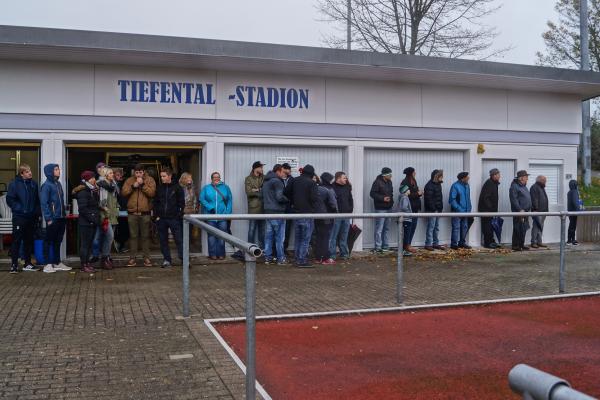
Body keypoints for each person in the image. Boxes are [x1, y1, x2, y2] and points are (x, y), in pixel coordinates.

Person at [6, 164, 41, 273]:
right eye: (26, 171)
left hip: (31, 218)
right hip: (19, 217)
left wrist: (36, 213)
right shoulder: (14, 184)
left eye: (30, 171)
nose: (30, 173)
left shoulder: (34, 184)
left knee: (28, 241)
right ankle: (14, 265)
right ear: (21, 174)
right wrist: (20, 209)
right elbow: (10, 200)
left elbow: (37, 201)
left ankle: (28, 264)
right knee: (16, 241)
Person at [122, 164, 156, 267]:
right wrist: (133, 186)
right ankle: (132, 258)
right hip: (132, 213)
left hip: (145, 213)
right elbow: (123, 192)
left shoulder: (150, 180)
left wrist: (142, 185)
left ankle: (146, 258)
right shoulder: (129, 180)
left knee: (145, 236)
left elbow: (152, 193)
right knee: (133, 237)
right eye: (136, 172)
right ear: (134, 172)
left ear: (143, 171)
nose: (138, 174)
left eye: (140, 172)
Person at [284, 164, 319, 267]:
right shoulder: (312, 183)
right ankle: (302, 260)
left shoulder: (294, 180)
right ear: (311, 173)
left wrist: (293, 200)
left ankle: (297, 258)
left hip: (296, 212)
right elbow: (314, 198)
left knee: (298, 237)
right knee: (305, 238)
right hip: (307, 213)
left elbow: (285, 192)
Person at [39, 163, 72, 273]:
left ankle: (57, 262)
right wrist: (48, 218)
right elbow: (44, 203)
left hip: (61, 217)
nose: (59, 171)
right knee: (48, 241)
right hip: (53, 218)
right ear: (50, 172)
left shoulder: (58, 184)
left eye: (58, 169)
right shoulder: (46, 185)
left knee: (58, 241)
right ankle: (47, 264)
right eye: (56, 169)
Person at [154, 167, 185, 268]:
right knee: (163, 240)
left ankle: (184, 260)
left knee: (179, 239)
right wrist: (156, 216)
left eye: (164, 176)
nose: (162, 178)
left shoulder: (177, 188)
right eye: (161, 176)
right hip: (161, 219)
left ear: (169, 176)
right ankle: (167, 260)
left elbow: (181, 203)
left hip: (173, 218)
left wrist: (178, 215)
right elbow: (155, 203)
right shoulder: (159, 188)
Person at [200, 172, 233, 260]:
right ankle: (212, 254)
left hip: (222, 216)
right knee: (211, 236)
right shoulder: (206, 188)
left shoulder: (226, 188)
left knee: (222, 235)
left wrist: (227, 212)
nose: (216, 178)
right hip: (210, 216)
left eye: (218, 177)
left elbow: (230, 200)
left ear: (220, 178)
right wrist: (210, 207)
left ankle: (221, 254)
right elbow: (201, 199)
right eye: (214, 177)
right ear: (212, 178)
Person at [73, 171, 101, 273]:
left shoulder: (92, 190)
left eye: (94, 178)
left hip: (91, 221)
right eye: (92, 178)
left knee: (89, 244)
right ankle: (83, 265)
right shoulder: (83, 191)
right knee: (85, 244)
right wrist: (93, 218)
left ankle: (87, 263)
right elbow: (83, 209)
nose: (94, 180)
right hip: (86, 222)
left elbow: (94, 205)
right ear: (86, 180)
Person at [262, 164, 289, 265]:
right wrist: (288, 199)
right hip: (278, 212)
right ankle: (280, 258)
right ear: (278, 171)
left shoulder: (266, 181)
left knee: (268, 236)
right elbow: (279, 197)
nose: (284, 174)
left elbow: (262, 196)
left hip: (267, 212)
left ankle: (267, 258)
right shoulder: (277, 181)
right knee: (279, 237)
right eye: (283, 172)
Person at [95, 167, 119, 269]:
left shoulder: (113, 185)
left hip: (113, 215)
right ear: (105, 175)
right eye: (110, 173)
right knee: (109, 236)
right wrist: (105, 211)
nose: (112, 175)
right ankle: (104, 258)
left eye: (112, 173)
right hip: (104, 215)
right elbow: (101, 203)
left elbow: (115, 199)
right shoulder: (101, 185)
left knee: (108, 238)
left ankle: (106, 258)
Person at [314, 172, 338, 265]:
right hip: (327, 217)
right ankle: (326, 258)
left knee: (319, 237)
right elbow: (333, 204)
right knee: (326, 237)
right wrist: (336, 213)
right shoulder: (329, 190)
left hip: (316, 216)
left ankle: (318, 257)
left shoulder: (317, 188)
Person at [329, 171, 353, 260]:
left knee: (344, 235)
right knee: (334, 236)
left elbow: (350, 199)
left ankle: (344, 254)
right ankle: (332, 254)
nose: (346, 179)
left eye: (346, 178)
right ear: (338, 178)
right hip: (336, 216)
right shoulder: (332, 187)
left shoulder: (347, 187)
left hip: (346, 215)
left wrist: (350, 209)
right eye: (344, 178)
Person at [370, 167, 394, 254]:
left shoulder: (389, 182)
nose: (391, 176)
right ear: (385, 175)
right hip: (380, 208)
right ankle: (378, 247)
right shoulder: (377, 182)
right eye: (390, 174)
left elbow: (391, 193)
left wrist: (391, 202)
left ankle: (385, 246)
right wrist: (383, 198)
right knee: (379, 228)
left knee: (386, 228)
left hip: (389, 208)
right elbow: (372, 194)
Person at [509, 170, 532, 251]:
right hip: (519, 212)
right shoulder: (514, 186)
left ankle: (521, 244)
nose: (527, 179)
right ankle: (515, 245)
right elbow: (514, 199)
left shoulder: (523, 186)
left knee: (523, 228)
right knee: (517, 228)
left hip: (525, 211)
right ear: (521, 178)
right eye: (526, 177)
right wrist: (519, 209)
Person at [400, 167, 422, 252]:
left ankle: (409, 244)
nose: (415, 173)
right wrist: (417, 193)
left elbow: (413, 193)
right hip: (409, 209)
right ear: (411, 173)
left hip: (415, 207)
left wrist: (419, 194)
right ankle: (406, 245)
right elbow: (406, 195)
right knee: (408, 228)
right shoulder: (405, 182)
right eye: (414, 172)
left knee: (413, 227)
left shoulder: (414, 181)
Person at [449, 172, 472, 250]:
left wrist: (469, 208)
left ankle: (462, 243)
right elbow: (452, 200)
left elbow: (468, 198)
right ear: (463, 178)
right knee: (456, 227)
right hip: (457, 211)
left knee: (464, 227)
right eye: (467, 177)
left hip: (466, 211)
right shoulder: (455, 186)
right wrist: (459, 209)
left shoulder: (467, 185)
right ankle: (454, 244)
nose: (468, 178)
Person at [423, 169, 445, 251]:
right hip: (432, 210)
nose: (442, 178)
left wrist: (440, 208)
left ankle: (435, 243)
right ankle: (428, 244)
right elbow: (428, 199)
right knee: (431, 227)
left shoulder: (438, 185)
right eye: (441, 176)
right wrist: (434, 208)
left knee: (436, 227)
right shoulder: (429, 185)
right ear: (437, 177)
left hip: (437, 210)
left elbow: (439, 197)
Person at [478, 168, 501, 249]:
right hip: (486, 211)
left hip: (491, 211)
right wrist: (491, 208)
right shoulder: (489, 183)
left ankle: (491, 241)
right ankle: (488, 243)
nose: (499, 176)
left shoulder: (494, 183)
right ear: (494, 175)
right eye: (498, 175)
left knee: (491, 226)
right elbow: (486, 198)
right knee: (487, 227)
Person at [245, 161, 265, 249]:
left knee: (262, 231)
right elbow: (248, 192)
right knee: (252, 229)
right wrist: (259, 190)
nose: (262, 169)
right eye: (261, 167)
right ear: (255, 168)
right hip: (253, 208)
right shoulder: (248, 179)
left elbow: (266, 191)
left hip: (264, 208)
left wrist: (255, 190)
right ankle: (250, 249)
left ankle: (263, 249)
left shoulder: (264, 178)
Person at [530, 175, 549, 248]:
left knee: (541, 226)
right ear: (540, 180)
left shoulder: (541, 187)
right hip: (538, 211)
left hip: (543, 211)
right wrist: (536, 209)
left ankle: (539, 241)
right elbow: (534, 199)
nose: (545, 182)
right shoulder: (534, 187)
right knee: (536, 227)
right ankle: (533, 242)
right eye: (544, 181)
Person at [113, 168, 129, 253]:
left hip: (124, 210)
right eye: (117, 175)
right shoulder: (112, 185)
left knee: (124, 227)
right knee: (117, 228)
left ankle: (122, 244)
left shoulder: (123, 184)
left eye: (120, 175)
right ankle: (118, 244)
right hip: (115, 210)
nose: (119, 177)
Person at [281, 163, 294, 254]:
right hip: (280, 207)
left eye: (290, 169)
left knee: (288, 228)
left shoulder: (292, 180)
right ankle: (278, 249)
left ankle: (285, 248)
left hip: (289, 207)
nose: (289, 171)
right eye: (288, 169)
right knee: (279, 229)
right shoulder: (278, 179)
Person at [398, 185, 414, 256]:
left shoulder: (403, 197)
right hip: (406, 219)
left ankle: (403, 250)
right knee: (406, 235)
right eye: (408, 189)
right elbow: (404, 207)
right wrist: (409, 212)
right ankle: (404, 250)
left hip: (405, 218)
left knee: (404, 235)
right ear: (405, 191)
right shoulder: (405, 197)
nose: (409, 190)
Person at [567, 179, 582, 246]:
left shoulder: (569, 192)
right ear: (575, 185)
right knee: (573, 226)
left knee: (571, 225)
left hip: (570, 210)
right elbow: (575, 202)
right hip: (574, 211)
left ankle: (569, 240)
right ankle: (572, 240)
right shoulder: (575, 192)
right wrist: (578, 210)